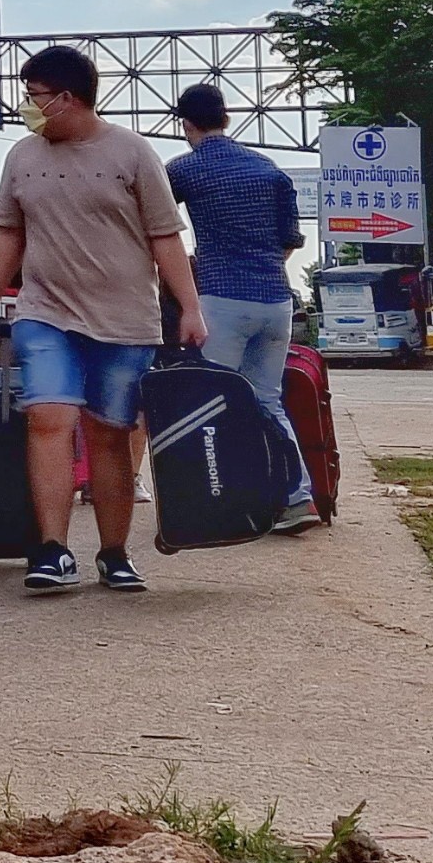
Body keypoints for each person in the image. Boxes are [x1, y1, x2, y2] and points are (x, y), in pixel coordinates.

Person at [0, 46, 206, 596]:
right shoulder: (22, 157)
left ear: (67, 99)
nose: (28, 108)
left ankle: (114, 553)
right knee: (48, 418)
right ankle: (51, 550)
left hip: (124, 321)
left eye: (35, 97)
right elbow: (9, 233)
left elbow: (165, 236)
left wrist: (189, 307)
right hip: (45, 314)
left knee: (109, 434)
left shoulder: (132, 153)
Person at [166, 84, 320, 535]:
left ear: (185, 123)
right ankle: (298, 498)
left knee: (211, 405)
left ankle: (217, 503)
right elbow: (290, 240)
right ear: (226, 117)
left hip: (219, 299)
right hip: (275, 299)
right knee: (267, 399)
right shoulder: (268, 169)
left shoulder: (185, 170)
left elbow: (152, 222)